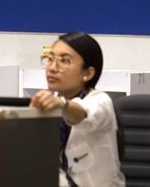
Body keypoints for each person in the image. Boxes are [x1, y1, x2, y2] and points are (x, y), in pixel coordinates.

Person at [30, 32, 125, 187]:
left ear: (88, 73)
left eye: (64, 61)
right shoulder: (48, 105)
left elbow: (81, 113)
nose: (52, 68)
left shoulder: (101, 101)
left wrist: (62, 105)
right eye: (50, 59)